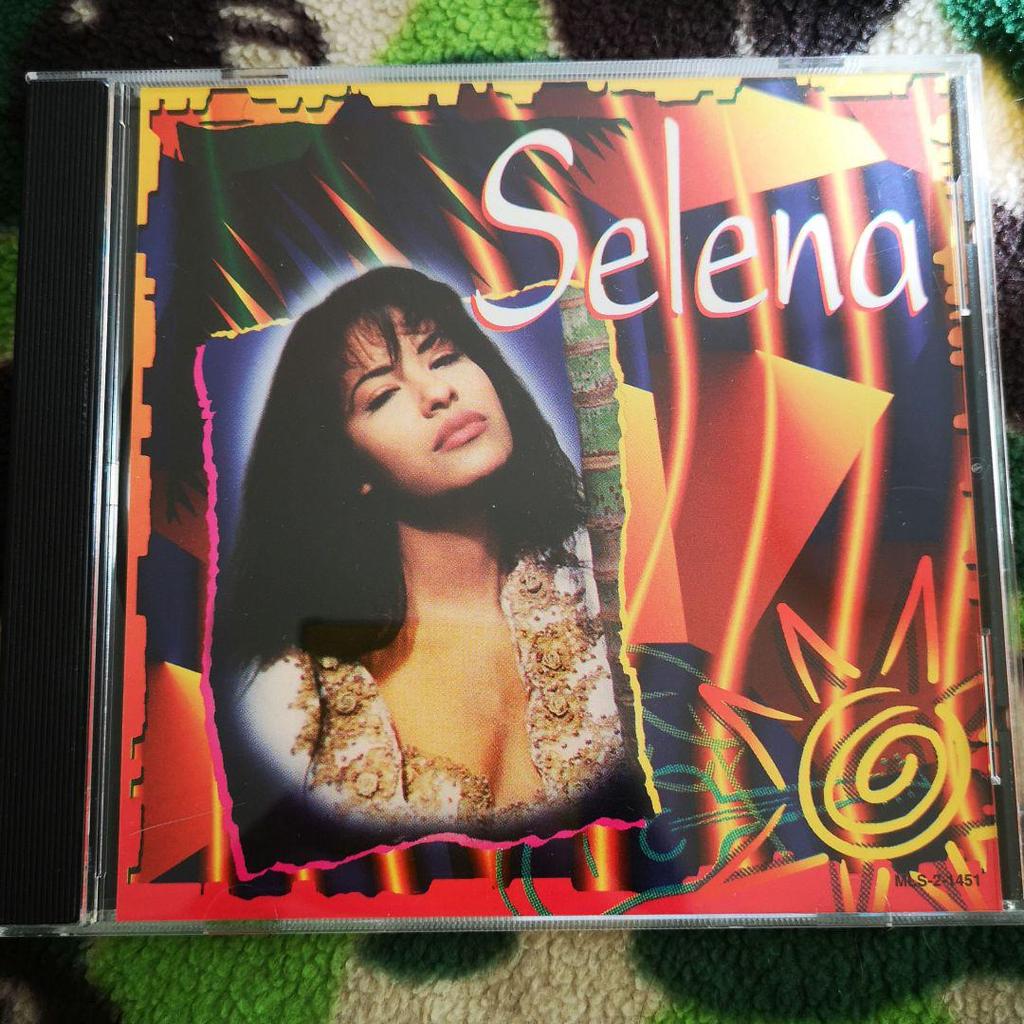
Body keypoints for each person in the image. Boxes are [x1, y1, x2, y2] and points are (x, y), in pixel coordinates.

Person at [211, 267, 645, 870]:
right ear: (348, 467)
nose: (437, 393)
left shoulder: (613, 586)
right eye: (381, 395)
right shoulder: (292, 697)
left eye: (445, 357)